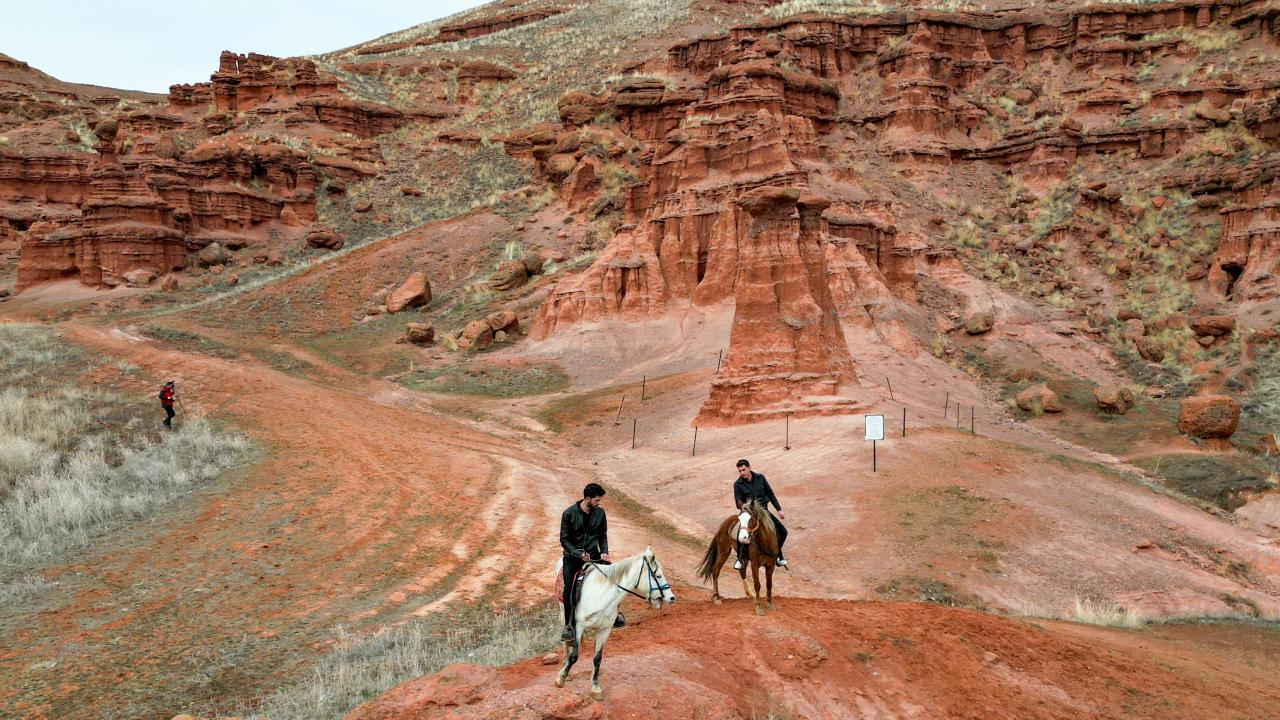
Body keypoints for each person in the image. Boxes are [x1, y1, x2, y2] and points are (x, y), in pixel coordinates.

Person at [558, 482, 624, 642]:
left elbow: (602, 535)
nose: (598, 503)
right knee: (568, 590)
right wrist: (578, 553)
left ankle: (614, 614)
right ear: (587, 498)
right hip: (572, 558)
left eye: (599, 501)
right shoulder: (568, 514)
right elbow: (564, 539)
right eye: (596, 500)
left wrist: (604, 552)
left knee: (613, 579)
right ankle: (569, 626)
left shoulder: (600, 513)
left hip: (594, 556)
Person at [732, 458, 788, 569]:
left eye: (743, 470)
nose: (742, 473)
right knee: (741, 533)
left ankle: (778, 556)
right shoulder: (737, 484)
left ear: (749, 468)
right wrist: (745, 507)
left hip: (764, 512)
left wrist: (779, 509)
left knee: (783, 531)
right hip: (748, 513)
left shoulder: (760, 478)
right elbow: (738, 502)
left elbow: (770, 494)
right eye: (740, 471)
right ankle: (740, 559)